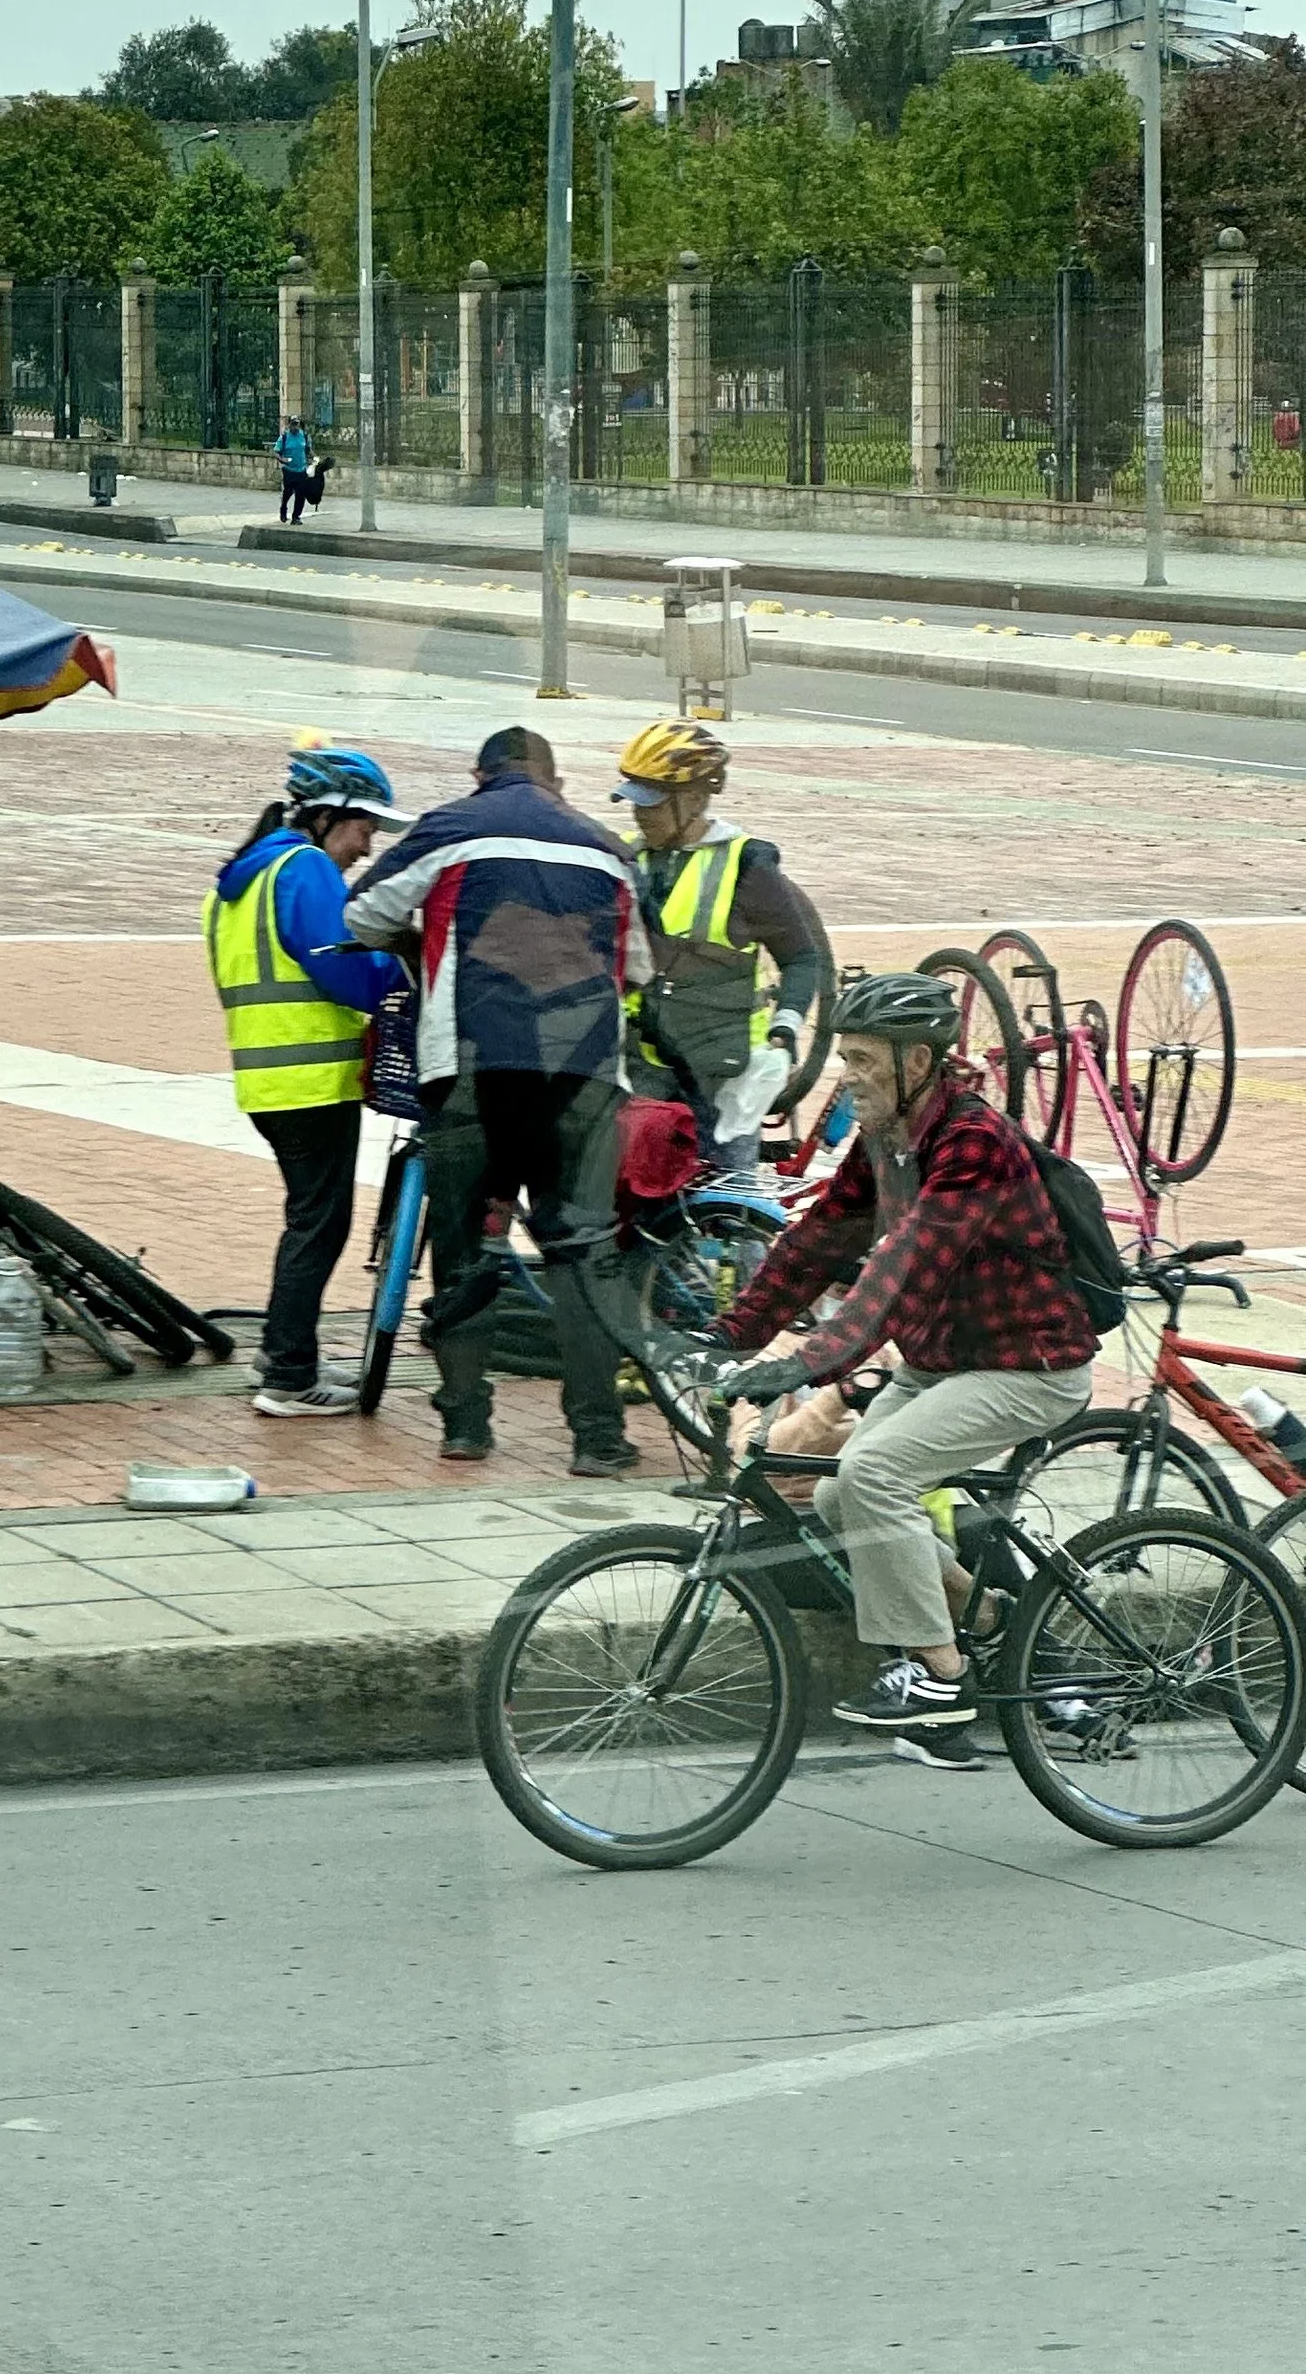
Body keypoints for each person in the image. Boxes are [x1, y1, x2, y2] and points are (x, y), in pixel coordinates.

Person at [708, 969, 1096, 1767]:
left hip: (1028, 1365)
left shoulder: (974, 1143)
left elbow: (904, 1269)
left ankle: (941, 1677)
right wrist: (732, 1333)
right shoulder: (886, 1138)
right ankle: (991, 1621)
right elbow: (821, 1238)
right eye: (844, 1057)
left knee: (875, 1473)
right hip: (943, 1360)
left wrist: (811, 1362)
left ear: (917, 1061)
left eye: (862, 1059)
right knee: (838, 1494)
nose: (846, 1074)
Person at [346, 725, 650, 1474]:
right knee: (582, 1255)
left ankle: (466, 1426)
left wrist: (421, 939)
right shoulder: (608, 848)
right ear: (554, 778)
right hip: (582, 1077)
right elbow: (640, 966)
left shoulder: (452, 826)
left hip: (471, 1071)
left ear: (481, 775)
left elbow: (361, 916)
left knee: (466, 1251)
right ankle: (597, 1438)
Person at [207, 746, 408, 1415]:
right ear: (328, 817)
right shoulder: (305, 868)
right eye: (364, 828)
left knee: (308, 1219)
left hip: (266, 1080)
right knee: (319, 1226)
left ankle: (280, 1352)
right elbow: (344, 967)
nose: (367, 846)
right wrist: (398, 967)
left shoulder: (239, 880)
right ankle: (290, 1378)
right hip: (313, 1080)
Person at [612, 718, 831, 1186]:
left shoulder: (745, 864)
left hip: (723, 1075)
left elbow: (800, 958)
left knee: (728, 1201)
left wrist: (784, 1030)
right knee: (635, 1199)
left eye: (651, 803)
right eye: (634, 802)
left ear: (695, 799)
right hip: (643, 1064)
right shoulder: (626, 859)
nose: (639, 814)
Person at [274, 412, 314, 526]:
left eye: (297, 424)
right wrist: (282, 460)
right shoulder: (284, 437)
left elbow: (308, 449)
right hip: (289, 470)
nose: (295, 427)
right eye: (293, 424)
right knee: (288, 492)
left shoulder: (304, 436)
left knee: (301, 494)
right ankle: (283, 508)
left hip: (301, 469)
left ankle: (296, 517)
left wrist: (314, 458)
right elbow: (276, 451)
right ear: (289, 425)